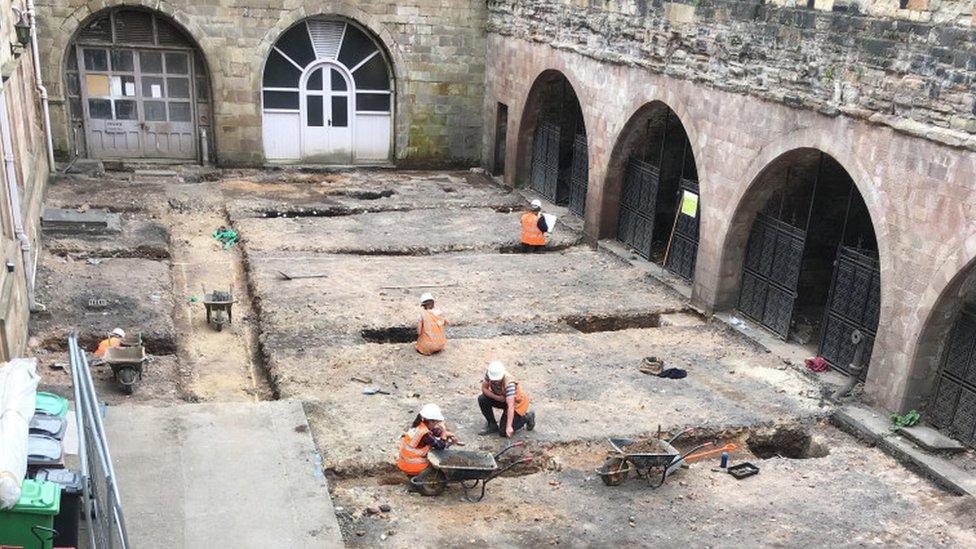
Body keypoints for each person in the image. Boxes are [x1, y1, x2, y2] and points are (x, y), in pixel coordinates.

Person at [396, 403, 459, 479]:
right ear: (431, 421)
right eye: (436, 422)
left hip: (404, 463)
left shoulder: (419, 425)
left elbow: (433, 430)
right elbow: (440, 446)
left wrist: (443, 433)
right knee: (437, 464)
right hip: (413, 465)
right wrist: (445, 438)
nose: (436, 424)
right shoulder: (425, 434)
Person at [479, 361, 535, 437]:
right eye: (494, 380)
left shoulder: (510, 384)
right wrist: (498, 398)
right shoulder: (490, 373)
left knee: (503, 432)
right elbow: (484, 389)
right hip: (503, 398)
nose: (495, 382)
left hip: (516, 404)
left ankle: (527, 417)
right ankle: (492, 425)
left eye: (497, 380)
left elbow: (511, 406)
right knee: (482, 399)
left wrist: (509, 427)